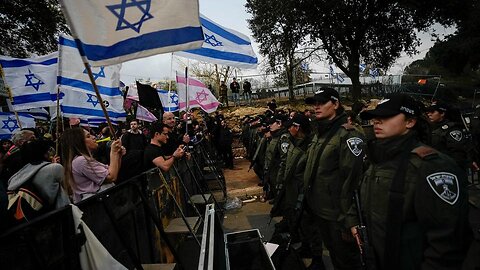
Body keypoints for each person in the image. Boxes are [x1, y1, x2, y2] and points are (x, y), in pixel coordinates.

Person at [347, 93, 470, 269]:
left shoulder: (431, 166)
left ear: (410, 122)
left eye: (387, 116)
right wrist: (354, 221)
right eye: (376, 117)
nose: (377, 121)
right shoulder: (377, 158)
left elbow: (448, 243)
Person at [302, 88, 364, 269]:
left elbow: (353, 181)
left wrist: (349, 221)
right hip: (321, 210)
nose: (316, 107)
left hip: (338, 215)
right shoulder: (321, 132)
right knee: (336, 257)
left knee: (347, 261)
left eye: (322, 103)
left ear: (336, 104)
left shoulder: (348, 135)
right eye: (315, 103)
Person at [7, 140, 70, 225]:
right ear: (44, 153)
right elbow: (69, 189)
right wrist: (54, 166)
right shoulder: (55, 168)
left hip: (31, 219)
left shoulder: (18, 174)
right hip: (56, 217)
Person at [60, 127, 125, 203]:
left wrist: (118, 155)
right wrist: (113, 152)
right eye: (88, 136)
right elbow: (111, 177)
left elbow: (112, 170)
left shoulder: (79, 160)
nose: (93, 137)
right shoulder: (81, 161)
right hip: (97, 205)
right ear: (79, 142)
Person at [425, 102, 474, 171]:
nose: (429, 114)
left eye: (432, 112)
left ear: (442, 113)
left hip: (449, 168)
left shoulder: (452, 129)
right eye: (428, 112)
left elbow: (458, 155)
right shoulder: (431, 128)